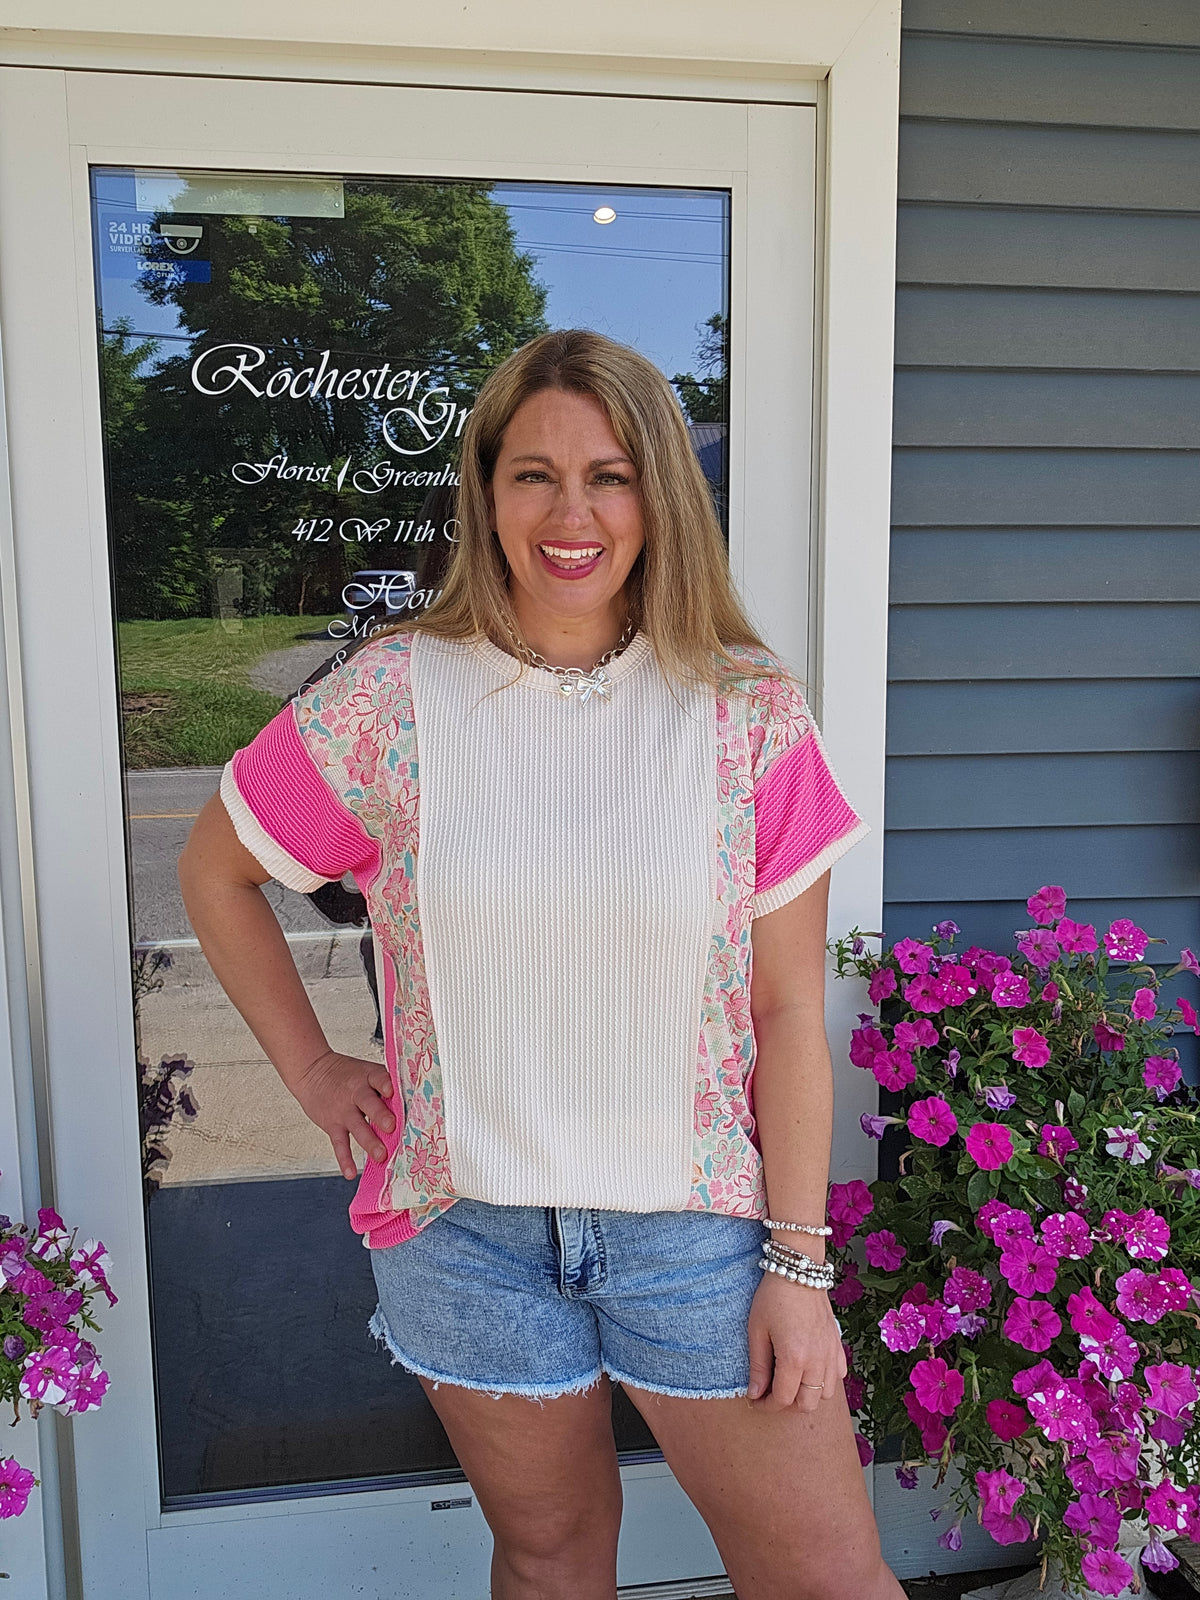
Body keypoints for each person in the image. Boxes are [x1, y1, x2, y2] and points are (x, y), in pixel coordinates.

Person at [178, 329, 905, 1600]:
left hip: (700, 1237)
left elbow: (792, 1009)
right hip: (469, 1235)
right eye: (535, 474)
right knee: (550, 1556)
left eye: (610, 476)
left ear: (658, 494)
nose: (573, 514)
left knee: (825, 1578)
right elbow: (217, 869)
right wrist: (311, 1067)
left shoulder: (748, 712)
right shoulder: (391, 696)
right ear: (486, 490)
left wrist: (800, 1264)